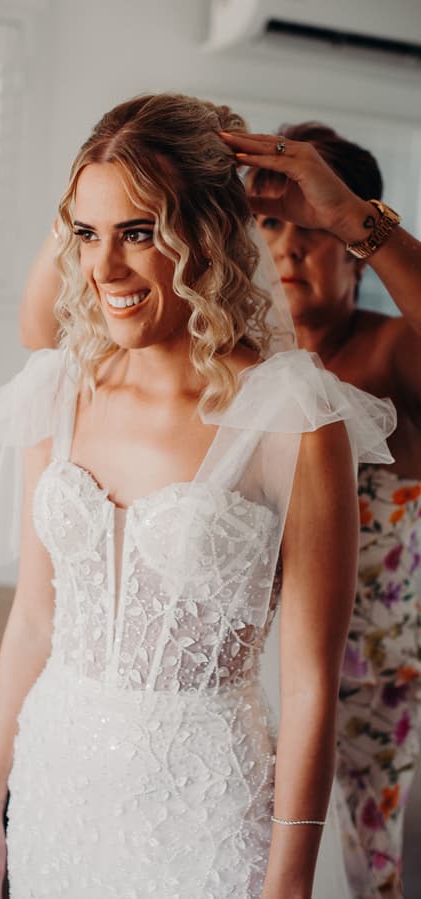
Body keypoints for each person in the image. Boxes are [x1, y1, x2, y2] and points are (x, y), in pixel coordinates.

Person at [0, 94, 394, 899]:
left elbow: (306, 685)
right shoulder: (56, 393)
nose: (105, 269)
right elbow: (31, 621)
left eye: (140, 232)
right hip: (57, 786)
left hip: (208, 812)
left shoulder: (291, 418)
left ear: (208, 235)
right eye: (86, 234)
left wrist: (289, 879)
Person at [219, 124, 421, 899]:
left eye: (313, 228)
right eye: (271, 224)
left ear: (353, 244)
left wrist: (359, 216)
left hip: (366, 690)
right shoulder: (244, 369)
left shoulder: (392, 352)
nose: (288, 249)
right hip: (255, 684)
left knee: (360, 874)